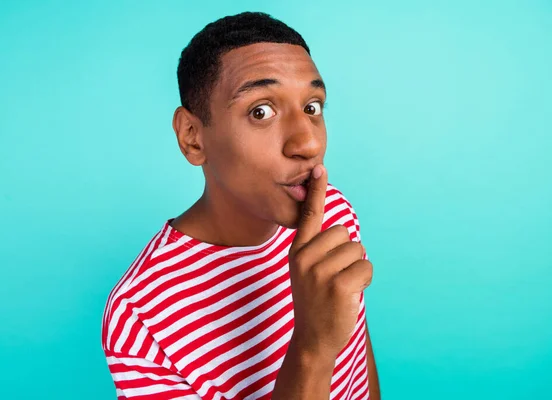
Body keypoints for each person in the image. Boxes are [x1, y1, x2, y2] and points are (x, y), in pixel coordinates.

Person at [102, 11, 380, 400]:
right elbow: (327, 349)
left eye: (312, 107)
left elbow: (357, 371)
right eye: (260, 111)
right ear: (192, 137)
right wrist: (313, 347)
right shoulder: (141, 316)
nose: (309, 144)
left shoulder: (332, 211)